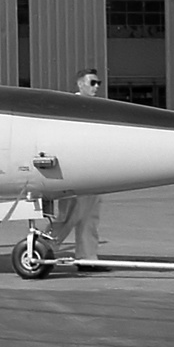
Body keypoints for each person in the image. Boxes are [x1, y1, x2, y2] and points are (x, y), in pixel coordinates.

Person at [47, 68, 105, 270]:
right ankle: (43, 248)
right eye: (93, 83)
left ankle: (88, 259)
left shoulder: (97, 107)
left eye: (98, 83)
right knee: (70, 216)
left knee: (90, 217)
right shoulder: (71, 107)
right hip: (77, 172)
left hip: (95, 171)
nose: (96, 87)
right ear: (80, 84)